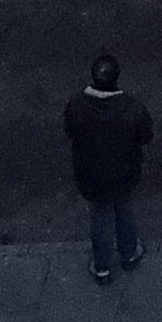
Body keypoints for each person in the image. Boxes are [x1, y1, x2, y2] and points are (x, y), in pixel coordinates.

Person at [65, 53, 152, 283]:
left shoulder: (77, 105)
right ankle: (129, 254)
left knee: (100, 217)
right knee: (124, 210)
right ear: (117, 78)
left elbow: (70, 131)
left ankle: (102, 266)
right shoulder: (132, 108)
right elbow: (145, 136)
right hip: (124, 172)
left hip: (91, 174)